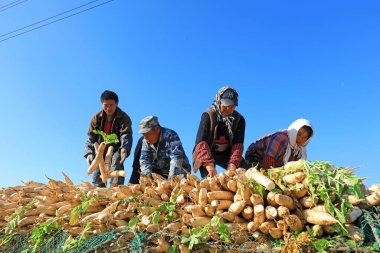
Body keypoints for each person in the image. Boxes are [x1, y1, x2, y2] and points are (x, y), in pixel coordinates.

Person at [193, 86, 247, 178]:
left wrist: (233, 164)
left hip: (227, 154)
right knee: (210, 180)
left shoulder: (239, 120)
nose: (228, 109)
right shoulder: (208, 115)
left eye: (232, 106)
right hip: (206, 152)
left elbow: (238, 145)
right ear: (218, 101)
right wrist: (209, 164)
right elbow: (201, 142)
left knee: (245, 173)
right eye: (225, 105)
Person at [84, 90, 133, 187]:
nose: (108, 108)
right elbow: (91, 137)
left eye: (111, 105)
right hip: (101, 149)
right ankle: (98, 194)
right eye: (106, 105)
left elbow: (126, 135)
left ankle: (116, 191)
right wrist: (89, 152)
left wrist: (124, 149)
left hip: (116, 148)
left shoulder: (123, 117)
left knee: (116, 161)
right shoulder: (96, 118)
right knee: (97, 173)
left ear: (116, 104)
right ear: (102, 104)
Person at [245, 118, 314, 170]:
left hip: (276, 163)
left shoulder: (300, 151)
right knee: (261, 175)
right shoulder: (281, 139)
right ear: (294, 131)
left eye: (304, 137)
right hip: (256, 156)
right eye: (299, 134)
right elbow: (268, 159)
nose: (300, 139)